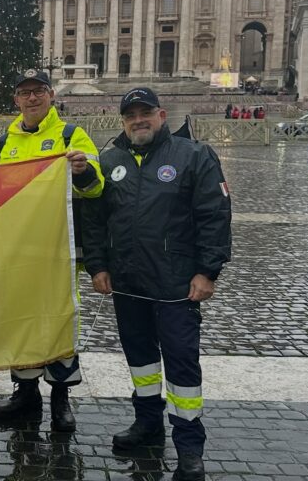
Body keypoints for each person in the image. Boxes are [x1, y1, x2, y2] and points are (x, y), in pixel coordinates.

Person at [82, 87, 231, 481]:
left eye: (145, 113)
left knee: (182, 364)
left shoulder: (194, 156)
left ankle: (189, 444)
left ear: (161, 115)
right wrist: (97, 265)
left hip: (177, 284)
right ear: (123, 121)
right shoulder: (110, 158)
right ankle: (148, 423)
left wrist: (207, 271)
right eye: (131, 115)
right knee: (142, 361)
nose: (138, 120)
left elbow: (215, 216)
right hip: (128, 283)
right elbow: (95, 220)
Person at [0, 70, 104, 432]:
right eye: (25, 92)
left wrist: (83, 171)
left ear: (51, 95)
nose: (32, 98)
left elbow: (96, 188)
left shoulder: (71, 135)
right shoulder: (3, 143)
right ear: (16, 100)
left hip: (58, 249)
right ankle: (25, 392)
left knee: (60, 318)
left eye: (38, 91)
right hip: (17, 249)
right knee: (19, 319)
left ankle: (60, 398)